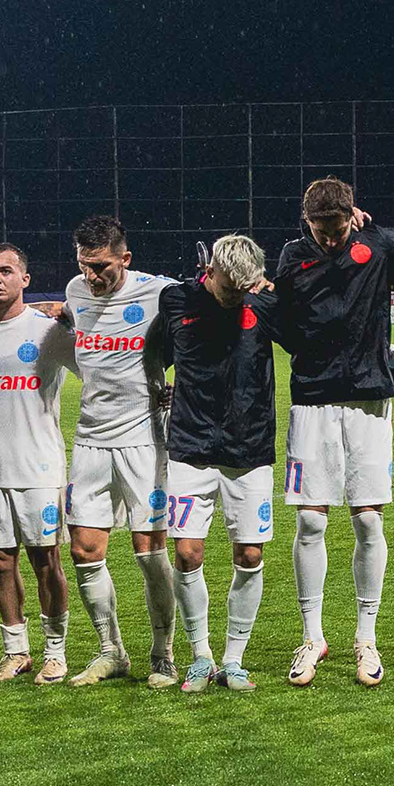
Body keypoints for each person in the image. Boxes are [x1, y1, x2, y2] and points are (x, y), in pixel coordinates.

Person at [268, 180, 394, 687]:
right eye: (321, 229)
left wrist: (376, 228)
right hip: (312, 398)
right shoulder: (293, 256)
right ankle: (313, 635)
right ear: (307, 221)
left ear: (351, 216)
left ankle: (366, 636)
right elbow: (284, 322)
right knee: (312, 524)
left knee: (367, 521)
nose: (331, 239)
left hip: (368, 398)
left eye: (338, 228)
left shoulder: (376, 244)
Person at [144, 232, 284, 690]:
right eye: (230, 288)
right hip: (190, 448)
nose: (236, 298)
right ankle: (201, 656)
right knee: (186, 553)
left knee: (249, 553)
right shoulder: (175, 301)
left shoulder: (261, 305)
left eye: (247, 289)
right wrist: (158, 387)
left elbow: (313, 337)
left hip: (249, 450)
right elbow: (153, 350)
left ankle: (235, 658)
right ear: (212, 272)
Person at [57, 215, 179, 685]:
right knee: (85, 549)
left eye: (102, 266)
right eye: (85, 265)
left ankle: (162, 652)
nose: (92, 275)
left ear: (125, 259)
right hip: (90, 438)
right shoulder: (75, 290)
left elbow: (201, 327)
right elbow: (66, 315)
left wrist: (179, 385)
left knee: (149, 550)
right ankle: (112, 651)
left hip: (144, 439)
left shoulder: (159, 290)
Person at [0, 243, 78, 680]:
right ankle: (16, 650)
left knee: (46, 559)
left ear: (24, 279)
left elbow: (98, 368)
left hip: (40, 467)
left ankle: (55, 649)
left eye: (6, 271)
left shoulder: (48, 331)